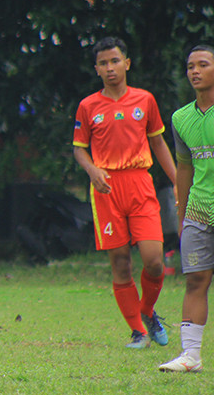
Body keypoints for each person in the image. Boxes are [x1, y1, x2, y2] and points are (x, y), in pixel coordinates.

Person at [73, 37, 177, 349]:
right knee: (120, 262)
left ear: (127, 63)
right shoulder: (88, 106)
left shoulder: (144, 100)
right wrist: (93, 170)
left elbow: (158, 143)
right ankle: (138, 331)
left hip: (140, 184)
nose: (110, 68)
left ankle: (146, 311)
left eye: (115, 61)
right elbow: (79, 149)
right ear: (97, 69)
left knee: (154, 260)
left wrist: (177, 181)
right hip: (106, 188)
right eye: (103, 63)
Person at [160, 45, 214, 372]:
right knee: (196, 279)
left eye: (203, 65)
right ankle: (190, 356)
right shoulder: (181, 118)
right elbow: (184, 169)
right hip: (199, 211)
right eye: (190, 66)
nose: (195, 71)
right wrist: (182, 216)